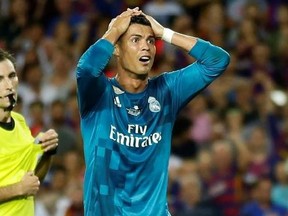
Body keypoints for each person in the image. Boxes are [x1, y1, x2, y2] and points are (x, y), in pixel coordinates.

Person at [76, 7, 230, 216]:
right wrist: (113, 31)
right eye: (135, 40)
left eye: (150, 41)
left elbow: (217, 61)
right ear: (117, 49)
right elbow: (86, 69)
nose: (146, 47)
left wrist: (165, 33)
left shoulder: (166, 91)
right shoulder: (99, 94)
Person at [0, 49, 59, 216]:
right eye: (0, 79)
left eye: (12, 76)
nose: (9, 85)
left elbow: (34, 180)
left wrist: (48, 152)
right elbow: (23, 187)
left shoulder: (19, 121)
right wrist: (18, 189)